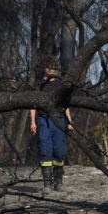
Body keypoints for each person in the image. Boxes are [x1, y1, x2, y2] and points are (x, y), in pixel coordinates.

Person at [29, 55, 73, 194]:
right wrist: (32, 121)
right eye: (47, 66)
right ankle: (47, 183)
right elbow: (33, 105)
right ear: (44, 68)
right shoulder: (38, 84)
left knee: (59, 151)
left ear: (55, 67)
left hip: (59, 120)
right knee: (45, 149)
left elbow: (66, 105)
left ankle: (58, 182)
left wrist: (69, 121)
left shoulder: (60, 84)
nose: (50, 69)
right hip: (43, 120)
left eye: (52, 66)